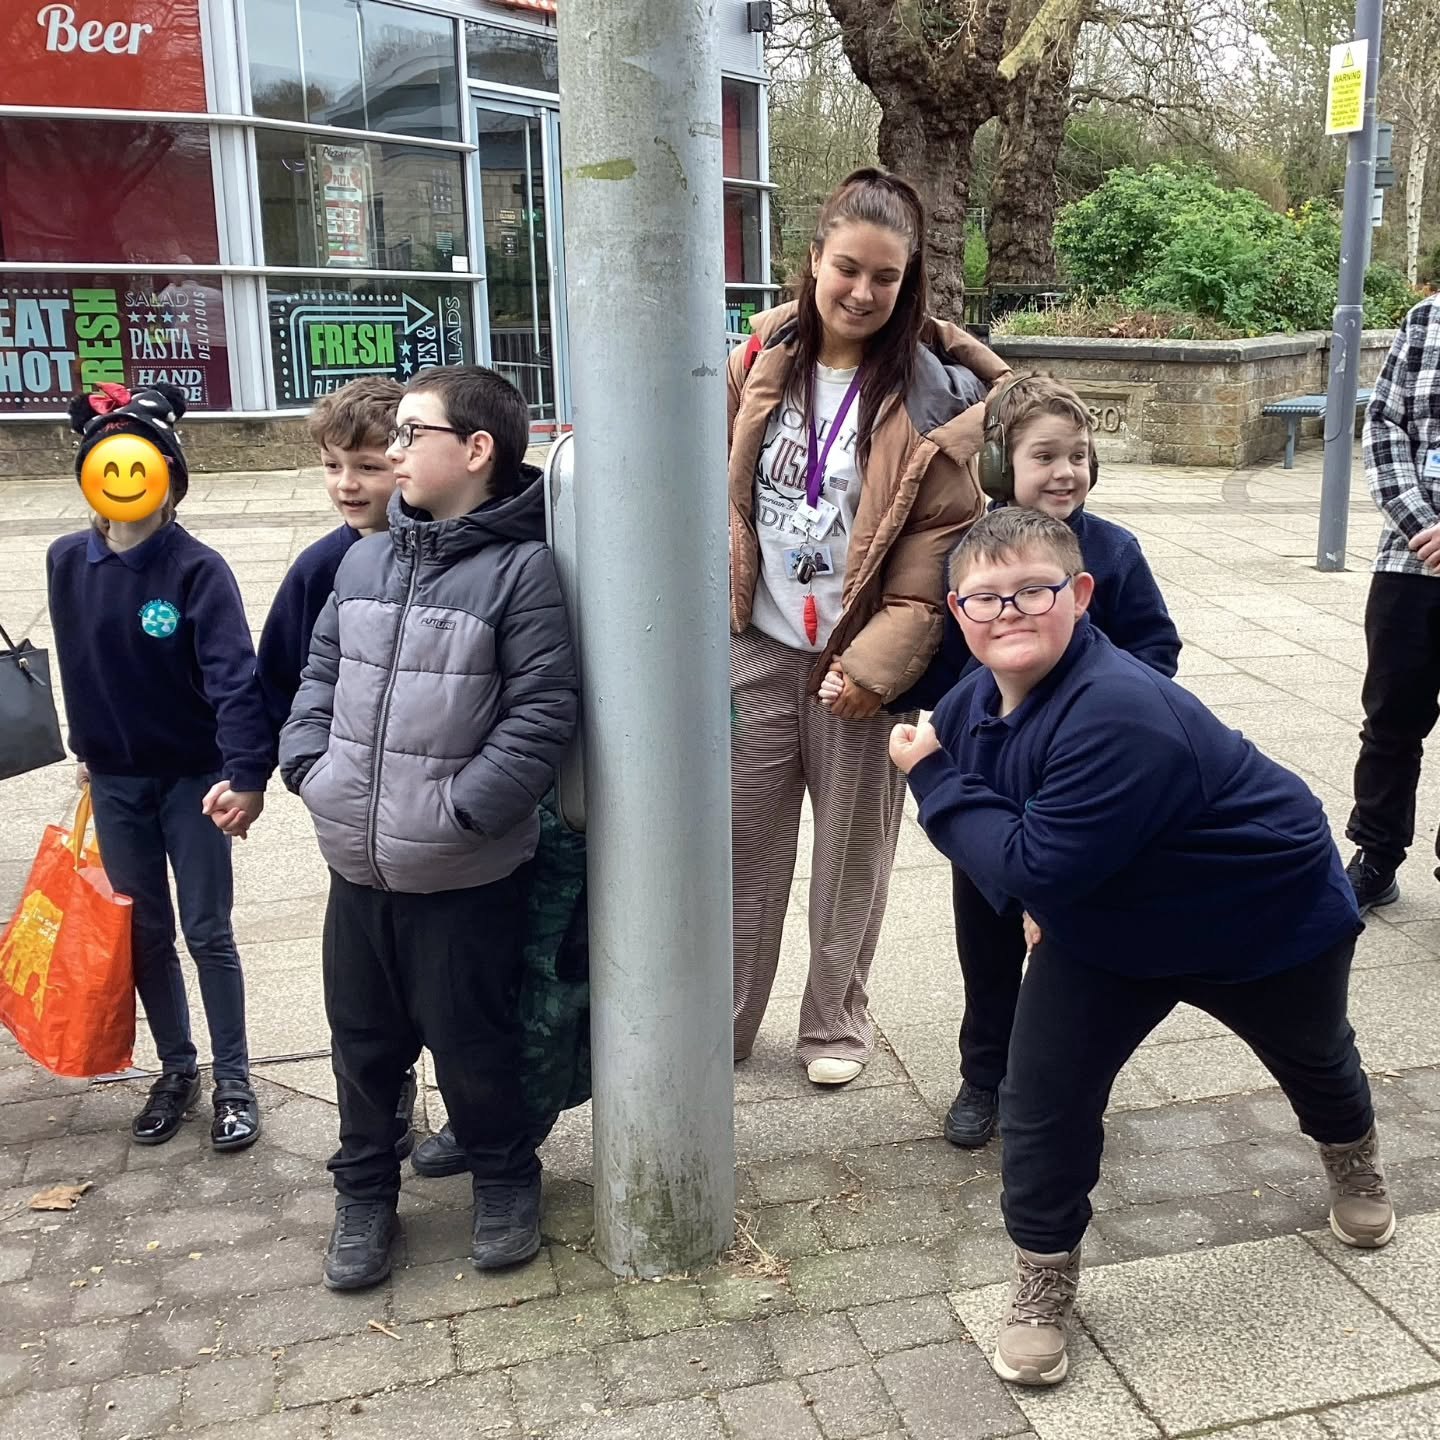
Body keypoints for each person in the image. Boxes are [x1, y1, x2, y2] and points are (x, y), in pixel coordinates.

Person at [890, 507, 1392, 1389]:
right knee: (1042, 1096)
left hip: (1259, 919)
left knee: (1315, 1059)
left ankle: (1354, 1162)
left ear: (1080, 596)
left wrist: (930, 777)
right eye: (983, 598)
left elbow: (1028, 848)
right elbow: (1009, 847)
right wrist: (1039, 889)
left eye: (1033, 590)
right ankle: (1043, 1276)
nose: (1008, 612)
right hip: (1111, 927)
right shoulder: (972, 702)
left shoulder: (1119, 711)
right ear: (956, 612)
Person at [280, 365, 577, 1290]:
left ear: (477, 450)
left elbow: (541, 713)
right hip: (357, 865)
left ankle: (503, 1179)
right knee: (362, 1046)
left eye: (413, 435)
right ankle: (365, 1195)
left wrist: (463, 813)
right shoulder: (363, 558)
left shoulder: (522, 571)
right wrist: (310, 768)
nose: (395, 452)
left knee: (475, 1041)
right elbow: (318, 674)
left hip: (463, 871)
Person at [728, 166, 1007, 1085]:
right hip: (759, 648)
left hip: (859, 665)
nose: (863, 292)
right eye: (848, 268)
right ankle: (724, 1021)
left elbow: (933, 554)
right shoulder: (758, 366)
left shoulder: (931, 399)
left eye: (886, 277)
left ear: (909, 280)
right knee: (740, 849)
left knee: (854, 855)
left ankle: (834, 1027)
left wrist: (876, 669)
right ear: (812, 262)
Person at [933, 373, 1181, 1149]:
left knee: (1076, 945)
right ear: (1003, 466)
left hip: (1083, 794)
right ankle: (984, 1072)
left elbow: (1156, 650)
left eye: (1078, 454)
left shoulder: (1113, 551)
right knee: (987, 936)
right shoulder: (968, 558)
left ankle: (1062, 1080)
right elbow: (945, 667)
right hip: (992, 787)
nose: (1066, 471)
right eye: (1045, 456)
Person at [46, 383, 270, 1150]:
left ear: (169, 477)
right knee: (144, 932)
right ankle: (178, 1069)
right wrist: (89, 749)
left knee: (207, 929)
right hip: (116, 780)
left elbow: (236, 678)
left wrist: (245, 775)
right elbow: (80, 660)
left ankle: (235, 1076)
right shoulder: (66, 562)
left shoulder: (196, 570)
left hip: (195, 780)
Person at [249, 376, 420, 1163]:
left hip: (446, 812)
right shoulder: (321, 569)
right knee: (369, 989)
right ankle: (383, 1120)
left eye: (366, 466)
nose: (347, 485)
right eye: (331, 467)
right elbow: (275, 678)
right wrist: (278, 770)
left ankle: (466, 1116)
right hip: (357, 816)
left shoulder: (475, 556)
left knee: (459, 985)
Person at [1345, 295, 1440, 915]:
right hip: (1412, 561)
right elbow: (1383, 423)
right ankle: (1376, 856)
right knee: (1390, 720)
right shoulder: (1426, 319)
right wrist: (1420, 523)